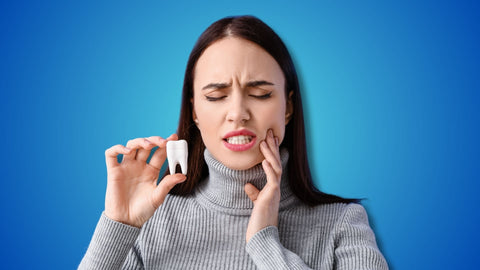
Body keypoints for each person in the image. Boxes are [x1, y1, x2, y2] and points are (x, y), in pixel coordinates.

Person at [79, 15, 388, 269]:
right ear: (194, 111)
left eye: (261, 94)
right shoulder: (150, 223)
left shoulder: (343, 224)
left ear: (289, 107)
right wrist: (119, 224)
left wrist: (265, 243)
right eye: (216, 96)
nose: (238, 113)